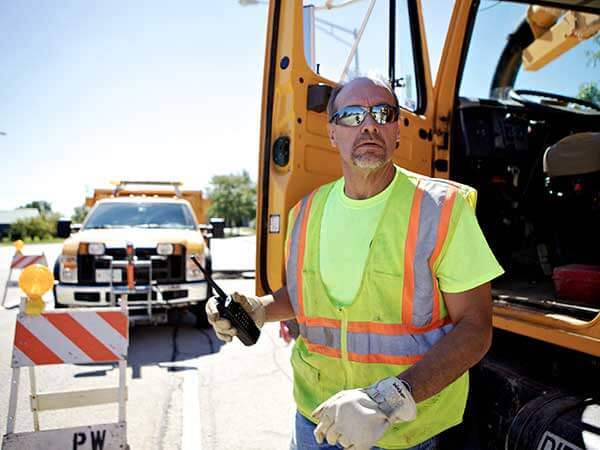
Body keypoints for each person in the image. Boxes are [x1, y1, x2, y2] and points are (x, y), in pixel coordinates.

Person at [206, 75, 504, 450]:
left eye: (382, 113)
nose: (368, 125)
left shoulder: (442, 209)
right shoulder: (304, 213)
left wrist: (389, 400)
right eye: (351, 115)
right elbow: (305, 298)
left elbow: (476, 328)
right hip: (316, 421)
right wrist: (259, 308)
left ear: (397, 130)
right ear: (332, 133)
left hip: (403, 433)